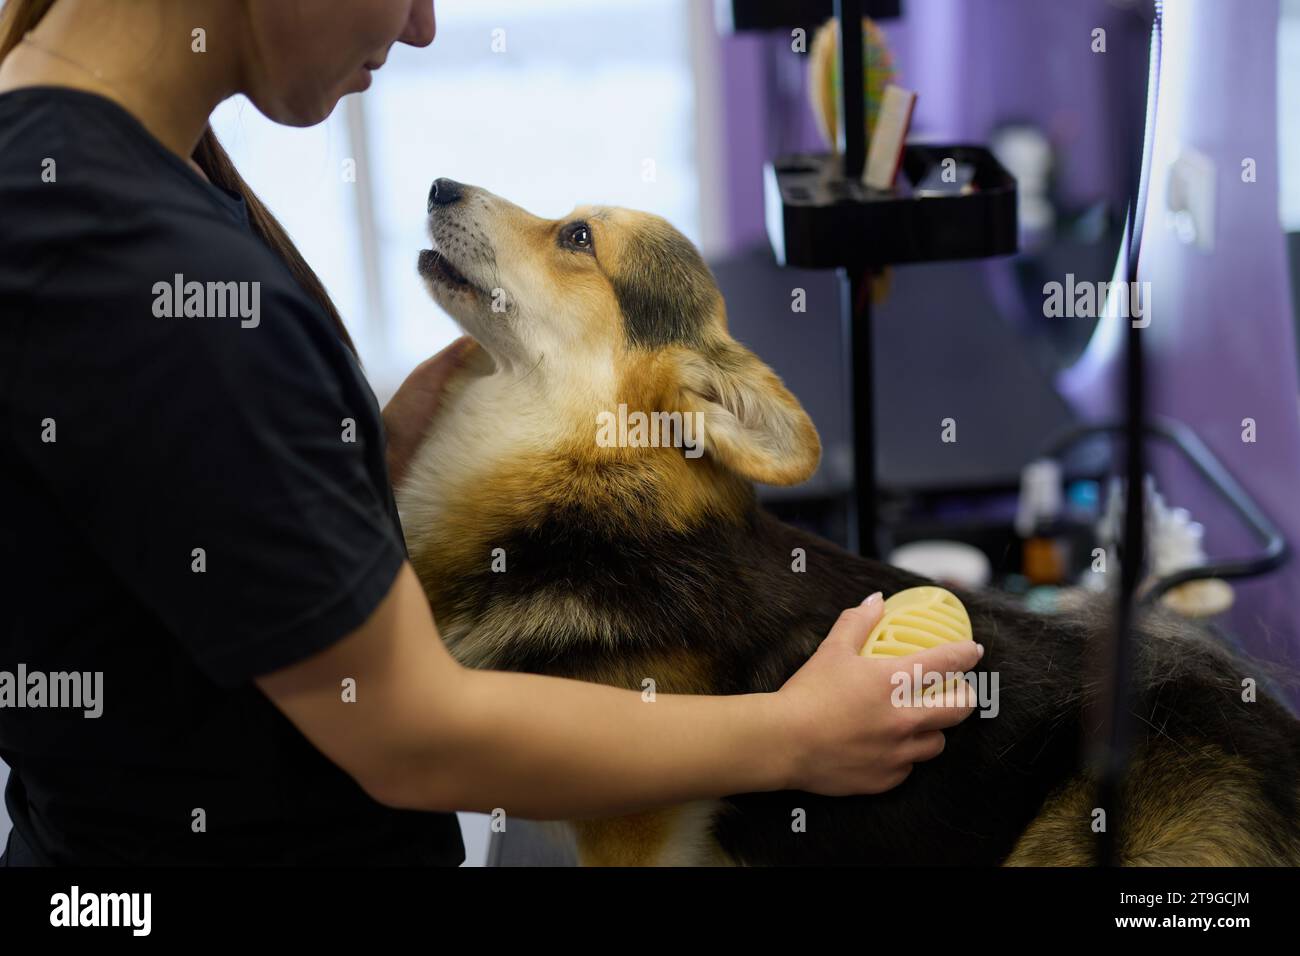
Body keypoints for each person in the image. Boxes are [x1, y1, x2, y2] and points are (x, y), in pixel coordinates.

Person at [0, 0, 981, 866]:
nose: (422, 23)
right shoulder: (136, 258)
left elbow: (153, 536)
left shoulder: (111, 166)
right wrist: (796, 734)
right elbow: (409, 732)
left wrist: (358, 459)